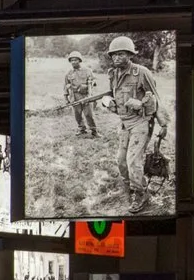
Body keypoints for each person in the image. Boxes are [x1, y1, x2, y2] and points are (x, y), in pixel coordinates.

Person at [102, 34, 166, 200]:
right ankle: (128, 187)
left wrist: (164, 125)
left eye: (121, 54)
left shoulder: (142, 72)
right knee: (121, 161)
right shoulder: (113, 74)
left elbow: (156, 98)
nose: (117, 57)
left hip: (141, 123)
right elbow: (113, 93)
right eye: (114, 54)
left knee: (133, 161)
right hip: (124, 123)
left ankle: (140, 194)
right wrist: (107, 101)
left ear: (130, 55)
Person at [64, 53, 98, 137]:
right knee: (77, 115)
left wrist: (89, 85)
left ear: (80, 60)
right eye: (71, 60)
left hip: (86, 95)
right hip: (74, 96)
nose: (73, 62)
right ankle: (82, 129)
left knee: (89, 114)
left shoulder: (87, 70)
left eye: (75, 60)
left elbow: (94, 81)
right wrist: (66, 98)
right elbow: (66, 86)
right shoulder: (68, 73)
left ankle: (94, 131)